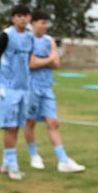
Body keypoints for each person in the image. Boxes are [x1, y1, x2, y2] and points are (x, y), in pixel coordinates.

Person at [23, 11, 86, 173]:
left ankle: (63, 160)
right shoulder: (27, 39)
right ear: (33, 23)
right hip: (31, 87)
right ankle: (34, 155)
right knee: (30, 122)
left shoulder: (50, 40)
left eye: (47, 23)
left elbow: (57, 63)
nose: (45, 26)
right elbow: (31, 63)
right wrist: (48, 60)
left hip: (47, 87)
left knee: (53, 123)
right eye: (42, 22)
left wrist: (45, 61)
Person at [0, 4, 33, 180]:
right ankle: (13, 166)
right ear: (13, 18)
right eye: (19, 15)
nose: (23, 19)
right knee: (10, 126)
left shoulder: (30, 38)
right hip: (8, 88)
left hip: (24, 88)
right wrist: (0, 81)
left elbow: (28, 60)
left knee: (17, 126)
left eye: (26, 15)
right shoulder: (6, 35)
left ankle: (6, 162)